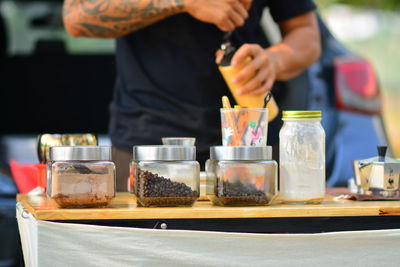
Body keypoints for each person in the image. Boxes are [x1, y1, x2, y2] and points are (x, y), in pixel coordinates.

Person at [63, 0, 321, 191]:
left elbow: (306, 34)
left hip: (250, 147)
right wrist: (183, 2)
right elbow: (76, 16)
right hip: (148, 146)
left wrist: (274, 61)